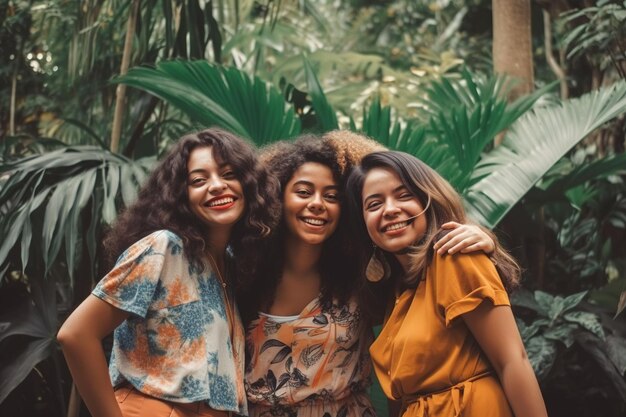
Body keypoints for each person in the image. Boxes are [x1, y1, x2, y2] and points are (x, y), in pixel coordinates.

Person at [241, 132, 498, 417]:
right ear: (276, 196)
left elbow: (423, 261)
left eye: (332, 196)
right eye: (303, 192)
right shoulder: (244, 272)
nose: (317, 203)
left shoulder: (364, 276)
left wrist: (482, 237)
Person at [57, 128, 281, 417]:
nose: (216, 186)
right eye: (198, 180)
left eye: (228, 174)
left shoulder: (228, 264)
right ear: (180, 196)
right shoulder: (164, 247)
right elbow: (75, 334)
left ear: (248, 184)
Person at [346, 150, 548, 417]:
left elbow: (512, 361)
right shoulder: (397, 293)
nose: (391, 210)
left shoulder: (455, 256)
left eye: (404, 195)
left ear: (429, 199)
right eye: (374, 204)